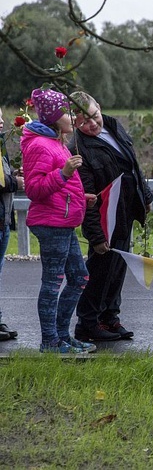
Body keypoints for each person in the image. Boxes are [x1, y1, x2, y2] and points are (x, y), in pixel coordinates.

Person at [68, 91, 153, 342]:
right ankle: (88, 323)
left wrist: (145, 196)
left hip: (126, 210)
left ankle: (109, 318)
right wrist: (95, 235)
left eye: (94, 116)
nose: (92, 124)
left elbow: (133, 165)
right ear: (74, 123)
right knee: (100, 270)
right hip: (105, 218)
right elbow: (87, 195)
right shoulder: (78, 148)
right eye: (83, 122)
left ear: (99, 106)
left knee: (117, 269)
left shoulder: (114, 126)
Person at [21, 88, 97, 354]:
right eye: (67, 112)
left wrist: (81, 195)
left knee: (79, 277)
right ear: (54, 117)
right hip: (51, 224)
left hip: (62, 221)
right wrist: (64, 173)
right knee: (53, 283)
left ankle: (62, 337)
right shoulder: (40, 145)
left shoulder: (56, 141)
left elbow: (58, 186)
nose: (73, 117)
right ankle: (50, 342)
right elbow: (34, 189)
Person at [0, 109, 22, 341]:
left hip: (3, 217)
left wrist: (13, 174)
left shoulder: (0, 144)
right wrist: (15, 181)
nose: (1, 121)